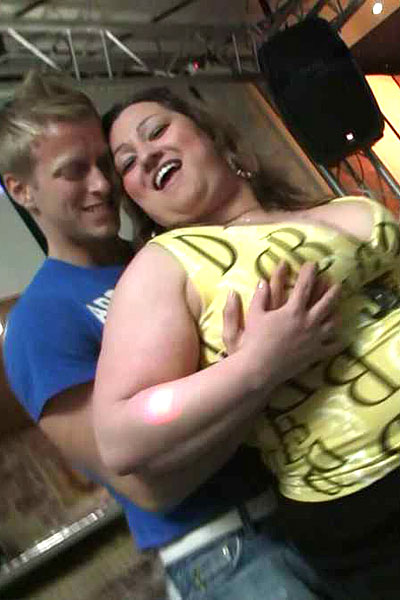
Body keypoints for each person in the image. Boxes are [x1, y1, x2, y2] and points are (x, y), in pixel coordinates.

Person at [1, 72, 341, 600]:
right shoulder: (37, 324)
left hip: (308, 496)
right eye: (73, 171)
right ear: (21, 190)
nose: (102, 185)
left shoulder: (168, 252)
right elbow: (146, 486)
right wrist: (261, 370)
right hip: (228, 549)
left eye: (105, 164)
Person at [96, 85, 400, 599]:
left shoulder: (324, 204)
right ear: (138, 200)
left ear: (213, 136)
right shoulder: (165, 263)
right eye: (127, 162)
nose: (144, 156)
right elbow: (120, 435)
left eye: (156, 131)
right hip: (371, 496)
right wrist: (256, 366)